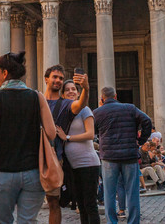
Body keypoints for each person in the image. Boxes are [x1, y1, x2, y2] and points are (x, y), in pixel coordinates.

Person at [0, 51, 56, 224]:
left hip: (3, 172)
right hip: (33, 171)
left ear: (5, 73)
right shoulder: (37, 97)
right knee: (27, 221)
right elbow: (51, 133)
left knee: (2, 221)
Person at [93, 86, 152, 224]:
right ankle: (133, 222)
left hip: (109, 157)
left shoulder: (97, 112)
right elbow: (147, 121)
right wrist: (141, 140)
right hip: (129, 156)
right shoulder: (130, 108)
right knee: (132, 192)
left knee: (109, 193)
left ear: (102, 99)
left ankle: (112, 222)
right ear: (116, 96)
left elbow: (93, 131)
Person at [43, 65, 89, 224]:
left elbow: (80, 105)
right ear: (46, 79)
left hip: (54, 160)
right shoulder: (36, 100)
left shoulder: (66, 104)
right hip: (32, 158)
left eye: (61, 78)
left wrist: (86, 89)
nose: (58, 81)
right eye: (55, 77)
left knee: (53, 203)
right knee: (28, 201)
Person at [55, 79, 100, 223]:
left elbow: (90, 134)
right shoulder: (65, 112)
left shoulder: (84, 109)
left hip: (88, 163)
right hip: (72, 165)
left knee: (90, 204)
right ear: (63, 94)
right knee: (80, 205)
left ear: (78, 93)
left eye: (74, 89)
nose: (71, 92)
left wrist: (67, 137)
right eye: (67, 89)